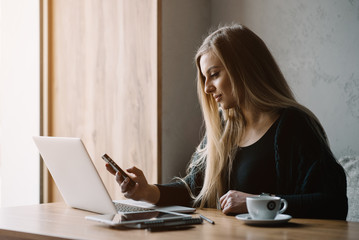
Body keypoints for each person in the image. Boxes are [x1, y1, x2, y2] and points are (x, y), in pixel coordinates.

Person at [106, 24, 348, 220]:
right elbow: (194, 190)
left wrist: (256, 203)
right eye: (204, 78)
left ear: (244, 69)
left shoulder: (295, 125)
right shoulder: (225, 128)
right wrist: (147, 192)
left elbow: (333, 203)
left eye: (214, 74)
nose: (207, 87)